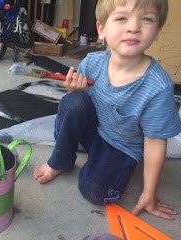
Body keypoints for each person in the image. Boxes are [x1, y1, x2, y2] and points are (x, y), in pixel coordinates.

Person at [34, 0, 181, 220]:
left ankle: (107, 166)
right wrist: (77, 91)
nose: (133, 27)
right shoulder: (92, 62)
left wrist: (149, 193)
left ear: (158, 31)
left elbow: (155, 141)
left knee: (95, 192)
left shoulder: (158, 87)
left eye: (147, 19)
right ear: (101, 29)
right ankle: (61, 160)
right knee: (73, 101)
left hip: (121, 146)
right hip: (94, 131)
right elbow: (79, 110)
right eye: (122, 18)